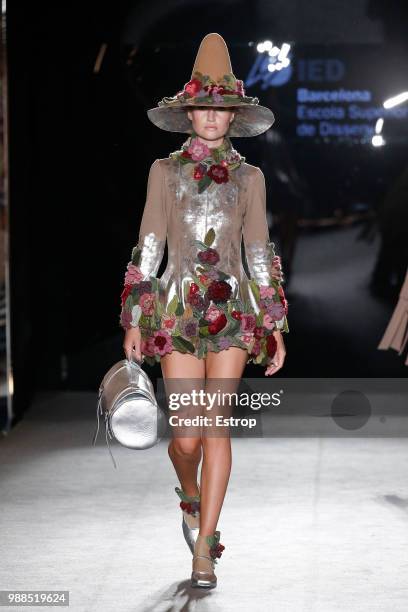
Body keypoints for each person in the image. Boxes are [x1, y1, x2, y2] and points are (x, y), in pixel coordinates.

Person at [119, 33, 289, 589]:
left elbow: (259, 252)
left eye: (222, 108)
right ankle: (189, 496)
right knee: (186, 438)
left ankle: (205, 550)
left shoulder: (250, 178)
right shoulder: (163, 174)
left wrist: (273, 321)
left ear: (233, 116)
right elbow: (149, 245)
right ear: (189, 110)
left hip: (234, 315)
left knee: (214, 427)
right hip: (176, 313)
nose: (212, 117)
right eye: (204, 106)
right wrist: (135, 317)